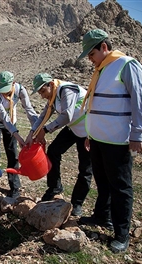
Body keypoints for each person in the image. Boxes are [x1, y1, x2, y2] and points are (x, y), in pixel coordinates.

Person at [77, 29, 142, 253]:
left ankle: (121, 233)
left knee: (120, 187)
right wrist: (90, 134)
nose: (90, 59)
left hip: (117, 140)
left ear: (104, 47)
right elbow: (96, 105)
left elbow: (140, 99)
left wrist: (137, 133)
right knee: (103, 182)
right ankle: (102, 217)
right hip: (98, 139)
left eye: (91, 54)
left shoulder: (126, 65)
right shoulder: (101, 69)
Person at [24, 73, 92, 217]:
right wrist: (32, 133)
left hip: (88, 130)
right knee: (54, 151)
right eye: (40, 93)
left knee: (85, 168)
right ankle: (54, 187)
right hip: (73, 128)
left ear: (50, 84)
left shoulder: (66, 90)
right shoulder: (53, 96)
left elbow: (67, 115)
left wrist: (46, 130)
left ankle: (77, 203)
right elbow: (43, 116)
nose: (42, 96)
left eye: (43, 91)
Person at [0, 71, 38, 199]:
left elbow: (29, 110)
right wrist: (18, 136)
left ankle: (14, 187)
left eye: (6, 90)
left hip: (11, 120)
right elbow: (3, 117)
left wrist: (36, 131)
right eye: (2, 90)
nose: (4, 93)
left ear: (13, 83)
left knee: (12, 153)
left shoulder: (20, 90)